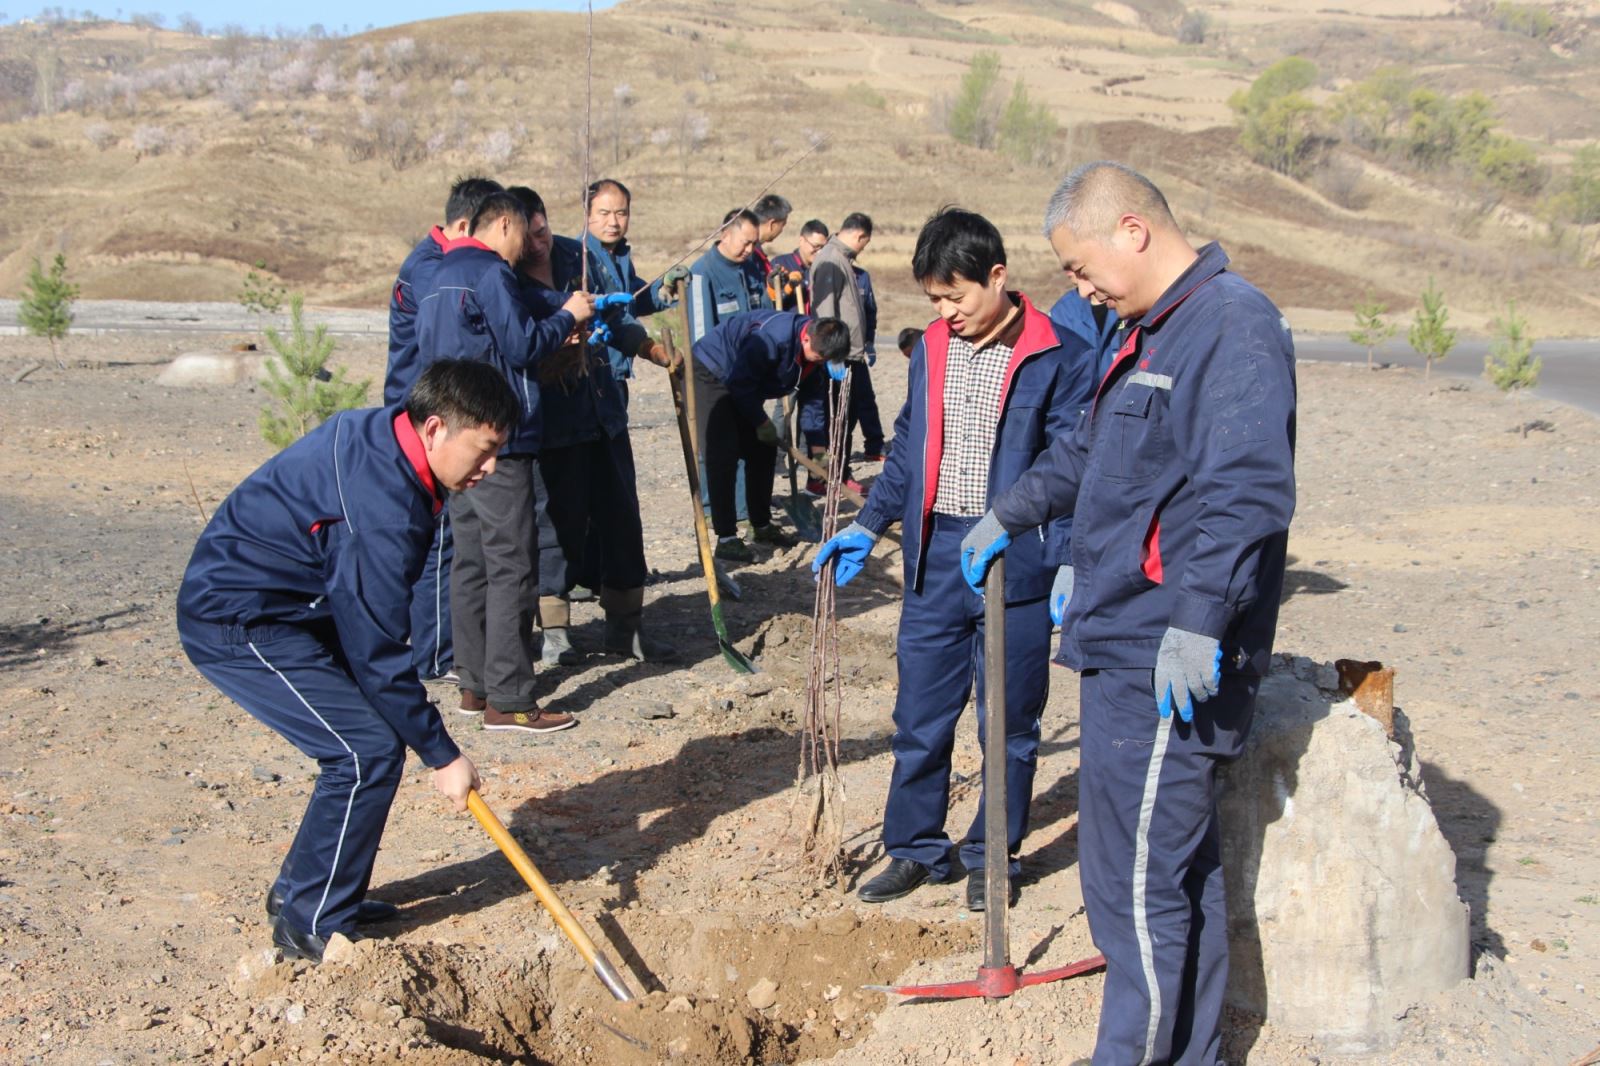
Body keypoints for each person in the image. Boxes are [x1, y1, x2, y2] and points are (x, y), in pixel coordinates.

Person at [960, 161, 1297, 1066]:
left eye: (1081, 267)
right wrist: (1012, 515)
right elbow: (1088, 454)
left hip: (1165, 656)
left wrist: (1199, 621)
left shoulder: (1229, 326)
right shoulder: (1149, 332)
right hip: (1126, 643)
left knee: (1133, 888)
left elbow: (1247, 494)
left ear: (1133, 231)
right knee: (1171, 875)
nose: (1080, 288)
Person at [176, 360, 517, 964]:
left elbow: (372, 636)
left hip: (297, 607)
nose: (490, 468)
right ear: (435, 428)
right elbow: (378, 649)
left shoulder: (388, 441)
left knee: (371, 741)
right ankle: (309, 924)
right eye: (484, 450)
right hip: (238, 620)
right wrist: (443, 755)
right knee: (364, 752)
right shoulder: (380, 507)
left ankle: (307, 893)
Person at [812, 207, 1097, 911]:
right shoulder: (935, 347)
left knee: (1009, 722)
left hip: (1016, 559)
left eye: (956, 296)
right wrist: (870, 522)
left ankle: (992, 856)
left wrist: (1066, 558)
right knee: (920, 716)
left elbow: (1072, 468)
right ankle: (914, 848)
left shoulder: (1058, 354)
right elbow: (910, 446)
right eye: (934, 299)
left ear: (996, 277)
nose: (946, 312)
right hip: (936, 556)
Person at [417, 191, 594, 734]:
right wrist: (568, 316)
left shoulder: (437, 275)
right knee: (513, 565)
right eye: (522, 234)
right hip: (501, 444)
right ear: (503, 225)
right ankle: (511, 699)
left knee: (470, 563)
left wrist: (559, 309)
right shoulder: (491, 271)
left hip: (454, 446)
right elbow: (521, 345)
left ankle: (474, 685)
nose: (525, 248)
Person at [507, 185, 677, 666]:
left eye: (542, 230)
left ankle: (626, 628)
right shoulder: (505, 276)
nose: (538, 243)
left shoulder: (577, 257)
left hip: (604, 410)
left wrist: (650, 349)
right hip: (554, 420)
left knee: (622, 518)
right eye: (527, 236)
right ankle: (556, 631)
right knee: (556, 525)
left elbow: (617, 320)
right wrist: (563, 327)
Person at [382, 174, 503, 683]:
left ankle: (436, 645)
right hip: (427, 420)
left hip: (426, 411)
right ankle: (435, 654)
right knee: (440, 539)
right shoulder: (436, 269)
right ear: (466, 226)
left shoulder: (435, 261)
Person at [692, 310, 850, 561]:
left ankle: (761, 525)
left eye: (825, 360)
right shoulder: (772, 339)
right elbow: (741, 384)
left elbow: (812, 403)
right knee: (723, 453)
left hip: (744, 381)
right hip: (713, 370)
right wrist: (762, 421)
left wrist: (819, 450)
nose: (821, 362)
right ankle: (727, 538)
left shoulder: (816, 356)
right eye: (819, 357)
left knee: (763, 450)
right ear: (806, 338)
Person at [581, 178, 687, 397]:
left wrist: (665, 288)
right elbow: (611, 314)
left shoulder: (618, 255)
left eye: (621, 213)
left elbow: (635, 296)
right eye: (604, 213)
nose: (613, 222)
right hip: (594, 373)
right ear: (587, 214)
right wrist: (648, 347)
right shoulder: (581, 257)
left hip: (617, 374)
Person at [808, 212, 886, 477]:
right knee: (837, 417)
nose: (863, 248)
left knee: (849, 415)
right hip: (840, 356)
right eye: (865, 243)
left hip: (851, 355)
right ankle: (829, 474)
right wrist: (833, 355)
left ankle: (840, 471)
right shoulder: (830, 260)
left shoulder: (841, 259)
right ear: (860, 236)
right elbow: (826, 312)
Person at [685, 209, 765, 344]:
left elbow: (766, 314)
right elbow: (701, 340)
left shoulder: (752, 269)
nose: (750, 250)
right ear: (726, 236)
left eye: (754, 244)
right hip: (723, 356)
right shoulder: (701, 273)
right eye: (746, 243)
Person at [770, 219, 828, 312]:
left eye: (823, 247)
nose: (819, 252)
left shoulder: (823, 269)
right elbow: (771, 302)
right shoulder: (781, 264)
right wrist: (789, 287)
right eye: (816, 246)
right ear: (801, 240)